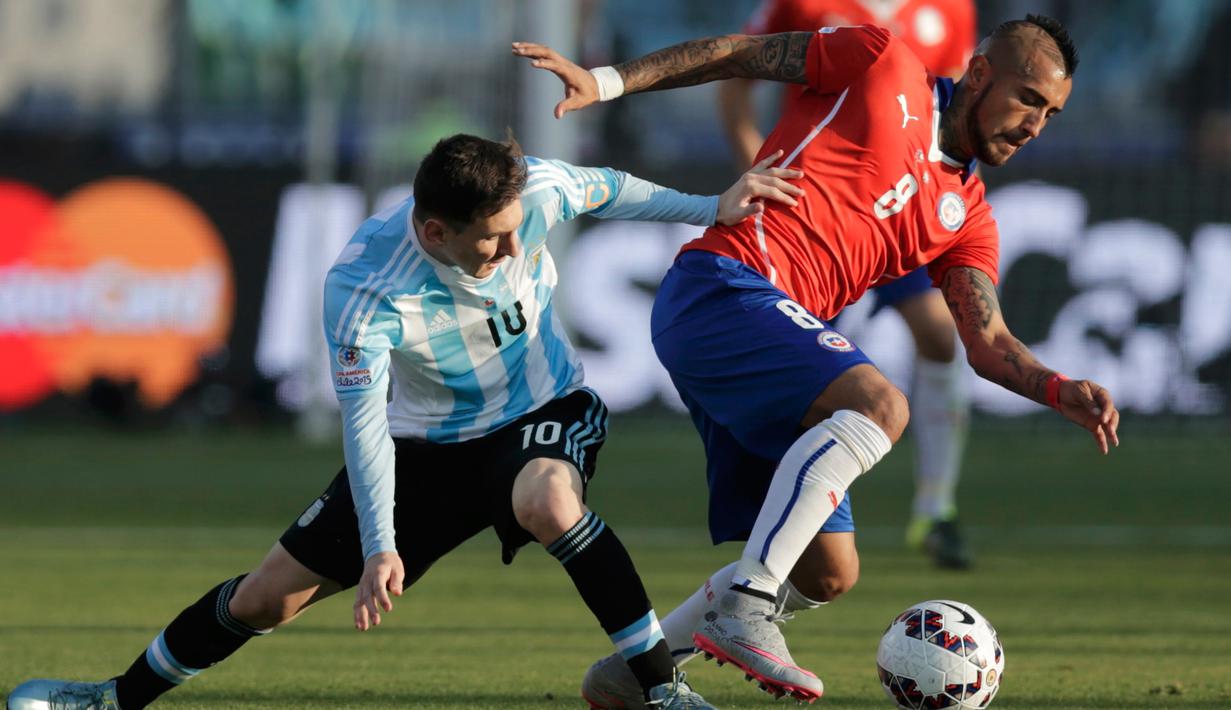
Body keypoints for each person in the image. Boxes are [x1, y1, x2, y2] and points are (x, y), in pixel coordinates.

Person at [5, 133, 806, 710]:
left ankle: (661, 691)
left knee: (548, 504)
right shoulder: (363, 290)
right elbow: (364, 426)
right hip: (422, 447)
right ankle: (115, 698)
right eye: (487, 243)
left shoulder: (531, 198)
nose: (505, 252)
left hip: (541, 411)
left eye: (511, 233)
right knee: (263, 600)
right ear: (432, 232)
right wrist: (381, 544)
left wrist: (709, 204)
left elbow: (608, 186)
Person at [514, 13, 1119, 705]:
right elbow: (737, 53)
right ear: (979, 72)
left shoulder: (968, 214)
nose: (1035, 124)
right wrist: (606, 79)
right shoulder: (879, 63)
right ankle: (747, 605)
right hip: (721, 285)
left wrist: (1056, 386)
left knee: (828, 573)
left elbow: (987, 344)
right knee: (880, 405)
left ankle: (634, 675)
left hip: (767, 335)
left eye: (1050, 112)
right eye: (1026, 98)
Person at [719, 0, 980, 569]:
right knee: (813, 382)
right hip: (814, 211)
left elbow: (960, 114)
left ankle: (937, 506)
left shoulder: (952, 9)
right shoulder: (806, 5)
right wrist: (755, 164)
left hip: (900, 209)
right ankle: (805, 516)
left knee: (940, 333)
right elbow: (738, 76)